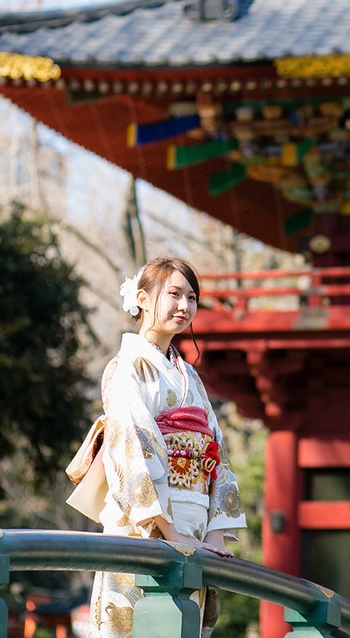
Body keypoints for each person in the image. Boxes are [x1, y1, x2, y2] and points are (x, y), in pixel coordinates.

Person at [69, 257, 246, 638]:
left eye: (192, 297)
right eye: (174, 294)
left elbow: (215, 451)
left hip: (194, 526)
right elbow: (131, 445)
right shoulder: (126, 367)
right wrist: (168, 529)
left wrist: (214, 534)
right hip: (143, 526)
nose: (185, 306)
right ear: (143, 298)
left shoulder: (190, 377)